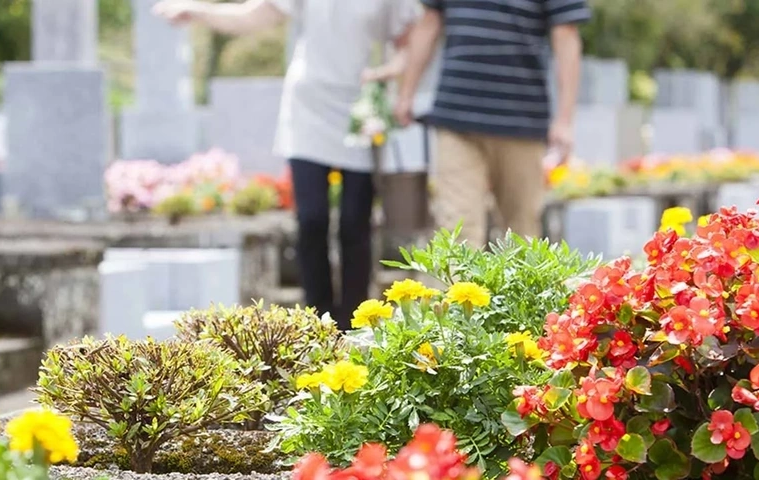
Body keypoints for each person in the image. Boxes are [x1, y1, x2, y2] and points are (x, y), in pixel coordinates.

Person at [154, 0, 419, 330]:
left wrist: (392, 77)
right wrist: (198, 11)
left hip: (359, 108)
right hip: (308, 109)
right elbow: (255, 16)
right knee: (311, 219)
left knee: (355, 222)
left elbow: (409, 43)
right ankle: (319, 324)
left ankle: (356, 324)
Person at [396, 0, 590, 245]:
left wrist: (565, 120)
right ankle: (460, 286)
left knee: (522, 236)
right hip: (457, 118)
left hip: (521, 123)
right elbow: (428, 24)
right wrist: (405, 93)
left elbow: (566, 36)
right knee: (457, 233)